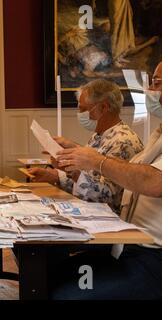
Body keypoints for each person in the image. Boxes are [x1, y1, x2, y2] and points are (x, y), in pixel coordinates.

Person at [48, 62, 162, 300]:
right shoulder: (158, 134)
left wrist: (95, 161)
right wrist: (77, 161)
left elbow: (152, 182)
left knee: (65, 295)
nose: (151, 89)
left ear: (103, 107)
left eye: (157, 83)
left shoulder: (125, 138)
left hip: (151, 258)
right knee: (46, 274)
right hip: (126, 245)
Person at [29, 79, 143, 213]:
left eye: (84, 109)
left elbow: (107, 196)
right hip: (90, 212)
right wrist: (54, 175)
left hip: (107, 219)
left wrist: (71, 170)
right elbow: (88, 179)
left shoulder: (123, 142)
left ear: (104, 107)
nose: (80, 114)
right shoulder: (99, 135)